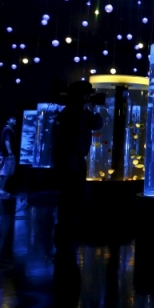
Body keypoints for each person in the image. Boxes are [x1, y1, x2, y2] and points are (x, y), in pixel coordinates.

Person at [52, 81, 103, 242]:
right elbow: (96, 124)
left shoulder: (70, 111)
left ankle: (67, 225)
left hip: (69, 156)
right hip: (72, 156)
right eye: (87, 94)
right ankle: (69, 227)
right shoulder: (77, 112)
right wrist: (92, 111)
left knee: (69, 192)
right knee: (72, 191)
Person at [0, 117, 18, 197]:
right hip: (6, 155)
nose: (15, 120)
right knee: (4, 173)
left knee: (7, 172)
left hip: (8, 155)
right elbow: (7, 141)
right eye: (12, 119)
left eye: (15, 119)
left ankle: (1, 189)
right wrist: (10, 153)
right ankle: (0, 190)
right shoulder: (7, 130)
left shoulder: (9, 129)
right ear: (8, 121)